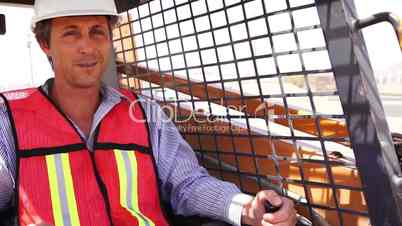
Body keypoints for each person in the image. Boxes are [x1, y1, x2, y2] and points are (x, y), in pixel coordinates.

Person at [0, 0, 297, 225]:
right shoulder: (10, 119)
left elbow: (187, 184)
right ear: (44, 44)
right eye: (71, 34)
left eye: (97, 32)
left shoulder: (142, 112)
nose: (87, 47)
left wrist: (247, 209)